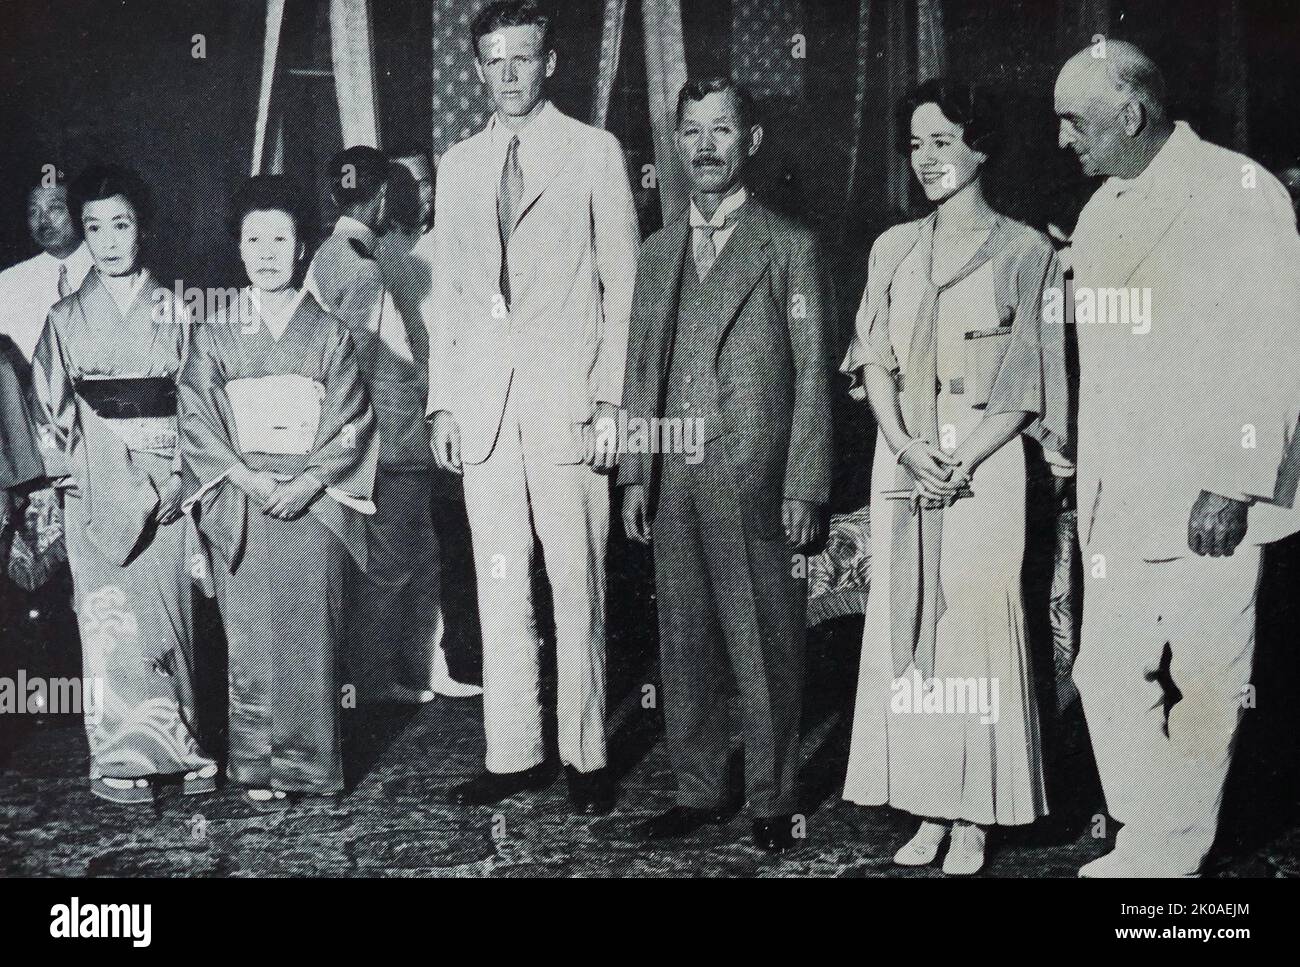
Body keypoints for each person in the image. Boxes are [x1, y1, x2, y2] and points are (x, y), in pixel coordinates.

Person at [1055, 40, 1300, 877]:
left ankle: (1174, 849)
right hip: (1117, 493)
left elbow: (1273, 348)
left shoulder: (1240, 190)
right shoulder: (1102, 209)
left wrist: (1233, 482)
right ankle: (1143, 828)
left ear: (1131, 113)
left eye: (1074, 122)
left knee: (1201, 675)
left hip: (1208, 490)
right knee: (1105, 668)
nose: (1063, 140)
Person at [840, 80, 1069, 875]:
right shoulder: (893, 248)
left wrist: (962, 457)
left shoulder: (1026, 251)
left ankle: (978, 814)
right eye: (915, 143)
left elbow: (1028, 382)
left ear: (981, 145)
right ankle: (931, 804)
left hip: (985, 469)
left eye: (943, 140)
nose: (927, 159)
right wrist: (905, 447)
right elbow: (873, 357)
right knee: (913, 629)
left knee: (973, 627)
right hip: (904, 462)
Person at [427, 0, 640, 814]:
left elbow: (623, 288)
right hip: (484, 413)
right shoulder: (459, 165)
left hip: (570, 409)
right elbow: (450, 296)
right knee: (500, 581)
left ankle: (586, 755)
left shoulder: (593, 151)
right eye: (494, 60)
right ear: (478, 68)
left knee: (578, 583)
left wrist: (613, 402)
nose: (508, 74)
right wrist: (444, 403)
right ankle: (513, 752)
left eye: (523, 57)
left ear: (549, 63)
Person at [620, 77, 834, 854]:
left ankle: (773, 796)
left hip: (756, 475)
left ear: (752, 141)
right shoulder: (656, 252)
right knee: (683, 642)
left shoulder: (791, 247)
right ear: (675, 145)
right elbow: (641, 370)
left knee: (766, 640)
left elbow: (813, 374)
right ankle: (698, 787)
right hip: (674, 476)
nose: (705, 146)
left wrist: (806, 482)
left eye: (721, 130)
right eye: (691, 132)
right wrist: (636, 473)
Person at [181, 175, 378, 807]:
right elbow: (195, 418)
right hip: (241, 495)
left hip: (313, 501)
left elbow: (352, 422)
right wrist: (246, 477)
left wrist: (310, 482)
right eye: (254, 238)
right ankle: (255, 761)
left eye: (281, 238)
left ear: (301, 249)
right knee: (250, 635)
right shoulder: (210, 332)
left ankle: (310, 766)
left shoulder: (330, 333)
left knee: (308, 631)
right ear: (238, 247)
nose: (267, 251)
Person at [30, 164, 217, 804]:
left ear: (144, 226)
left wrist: (176, 479)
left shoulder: (180, 310)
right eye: (94, 227)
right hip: (94, 491)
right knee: (111, 628)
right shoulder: (64, 317)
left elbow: (199, 404)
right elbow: (51, 419)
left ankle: (180, 745)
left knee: (169, 625)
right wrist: (89, 481)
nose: (109, 240)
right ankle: (116, 758)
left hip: (167, 486)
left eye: (122, 223)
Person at [389, 146, 483, 698]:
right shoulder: (381, 254)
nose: (417, 194)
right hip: (399, 425)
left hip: (457, 417)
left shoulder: (459, 245)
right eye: (404, 184)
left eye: (425, 182)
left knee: (459, 543)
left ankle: (458, 657)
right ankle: (409, 664)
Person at [0, 168, 93, 362]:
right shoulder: (8, 282)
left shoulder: (112, 268)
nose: (43, 221)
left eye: (55, 208)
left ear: (79, 211)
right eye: (34, 211)